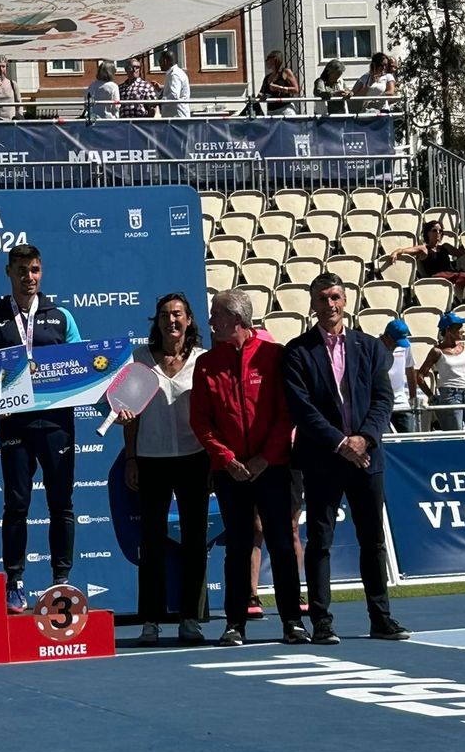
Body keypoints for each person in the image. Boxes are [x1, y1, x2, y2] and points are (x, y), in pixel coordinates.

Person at [283, 272, 410, 644]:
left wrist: (365, 439)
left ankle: (380, 617)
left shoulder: (370, 347)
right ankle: (322, 621)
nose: (330, 305)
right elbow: (301, 408)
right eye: (322, 299)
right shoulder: (297, 351)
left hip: (367, 458)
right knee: (320, 541)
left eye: (336, 297)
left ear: (346, 300)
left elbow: (383, 400)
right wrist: (341, 443)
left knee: (372, 540)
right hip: (323, 459)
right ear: (312, 304)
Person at [191, 290, 306, 646]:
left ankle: (292, 622)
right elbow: (201, 420)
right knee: (238, 547)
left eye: (216, 315)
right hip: (230, 472)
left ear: (236, 320)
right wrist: (226, 459)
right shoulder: (207, 363)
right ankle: (234, 623)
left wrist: (264, 458)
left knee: (282, 543)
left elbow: (286, 412)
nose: (210, 322)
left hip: (271, 467)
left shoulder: (273, 356)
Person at [0, 245, 83, 614]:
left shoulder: (60, 317)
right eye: (22, 270)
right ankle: (14, 582)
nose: (29, 277)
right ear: (9, 272)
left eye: (35, 270)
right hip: (16, 424)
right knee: (17, 505)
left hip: (56, 423)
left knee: (62, 505)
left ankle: (61, 579)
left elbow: (80, 366)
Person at [116, 294, 210, 645]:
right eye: (165, 315)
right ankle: (151, 621)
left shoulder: (203, 360)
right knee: (151, 543)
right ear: (156, 322)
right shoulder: (140, 360)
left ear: (188, 320)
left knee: (195, 540)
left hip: (194, 457)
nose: (172, 321)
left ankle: (190, 618)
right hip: (151, 459)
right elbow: (129, 413)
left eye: (178, 315)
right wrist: (131, 457)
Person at [387, 220, 465, 291]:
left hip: (451, 273)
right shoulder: (423, 249)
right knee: (455, 275)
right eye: (434, 230)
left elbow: (462, 254)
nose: (438, 233)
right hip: (436, 277)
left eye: (440, 231)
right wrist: (397, 252)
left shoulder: (445, 246)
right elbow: (407, 250)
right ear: (427, 233)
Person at [417, 310, 465, 431]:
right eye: (459, 327)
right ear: (448, 330)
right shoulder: (437, 351)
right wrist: (431, 397)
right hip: (450, 396)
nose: (462, 330)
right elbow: (420, 376)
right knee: (455, 435)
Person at [381, 319, 420, 433]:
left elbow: (410, 370)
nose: (398, 345)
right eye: (396, 341)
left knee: (409, 437)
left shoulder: (405, 347)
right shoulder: (374, 346)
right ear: (387, 335)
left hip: (400, 401)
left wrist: (413, 397)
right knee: (386, 440)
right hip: (380, 402)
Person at [260, 50, 301, 116]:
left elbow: (296, 90)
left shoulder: (285, 72)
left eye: (269, 60)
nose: (267, 62)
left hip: (285, 109)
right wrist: (261, 96)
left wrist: (279, 88)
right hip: (271, 112)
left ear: (275, 61)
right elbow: (262, 93)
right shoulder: (267, 77)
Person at [158, 50, 190, 118]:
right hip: (176, 116)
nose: (159, 64)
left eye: (160, 61)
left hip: (176, 117)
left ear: (165, 61)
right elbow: (176, 90)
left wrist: (159, 101)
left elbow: (174, 95)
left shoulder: (174, 74)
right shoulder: (176, 72)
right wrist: (161, 88)